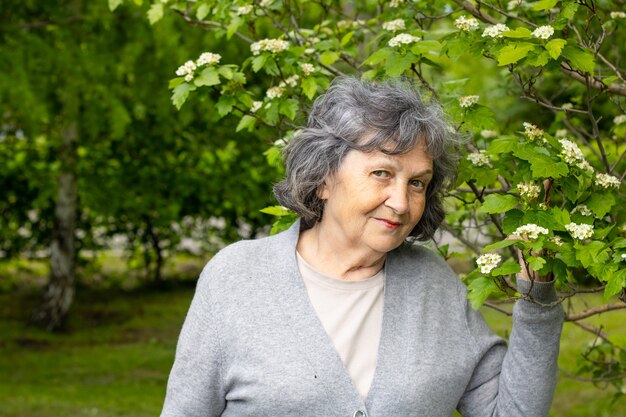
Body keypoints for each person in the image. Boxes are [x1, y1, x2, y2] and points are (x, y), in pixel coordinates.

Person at [160, 77, 563, 417]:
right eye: (381, 173)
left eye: (417, 182)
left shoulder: (434, 286)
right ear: (324, 178)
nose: (402, 202)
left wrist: (537, 293)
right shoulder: (236, 277)